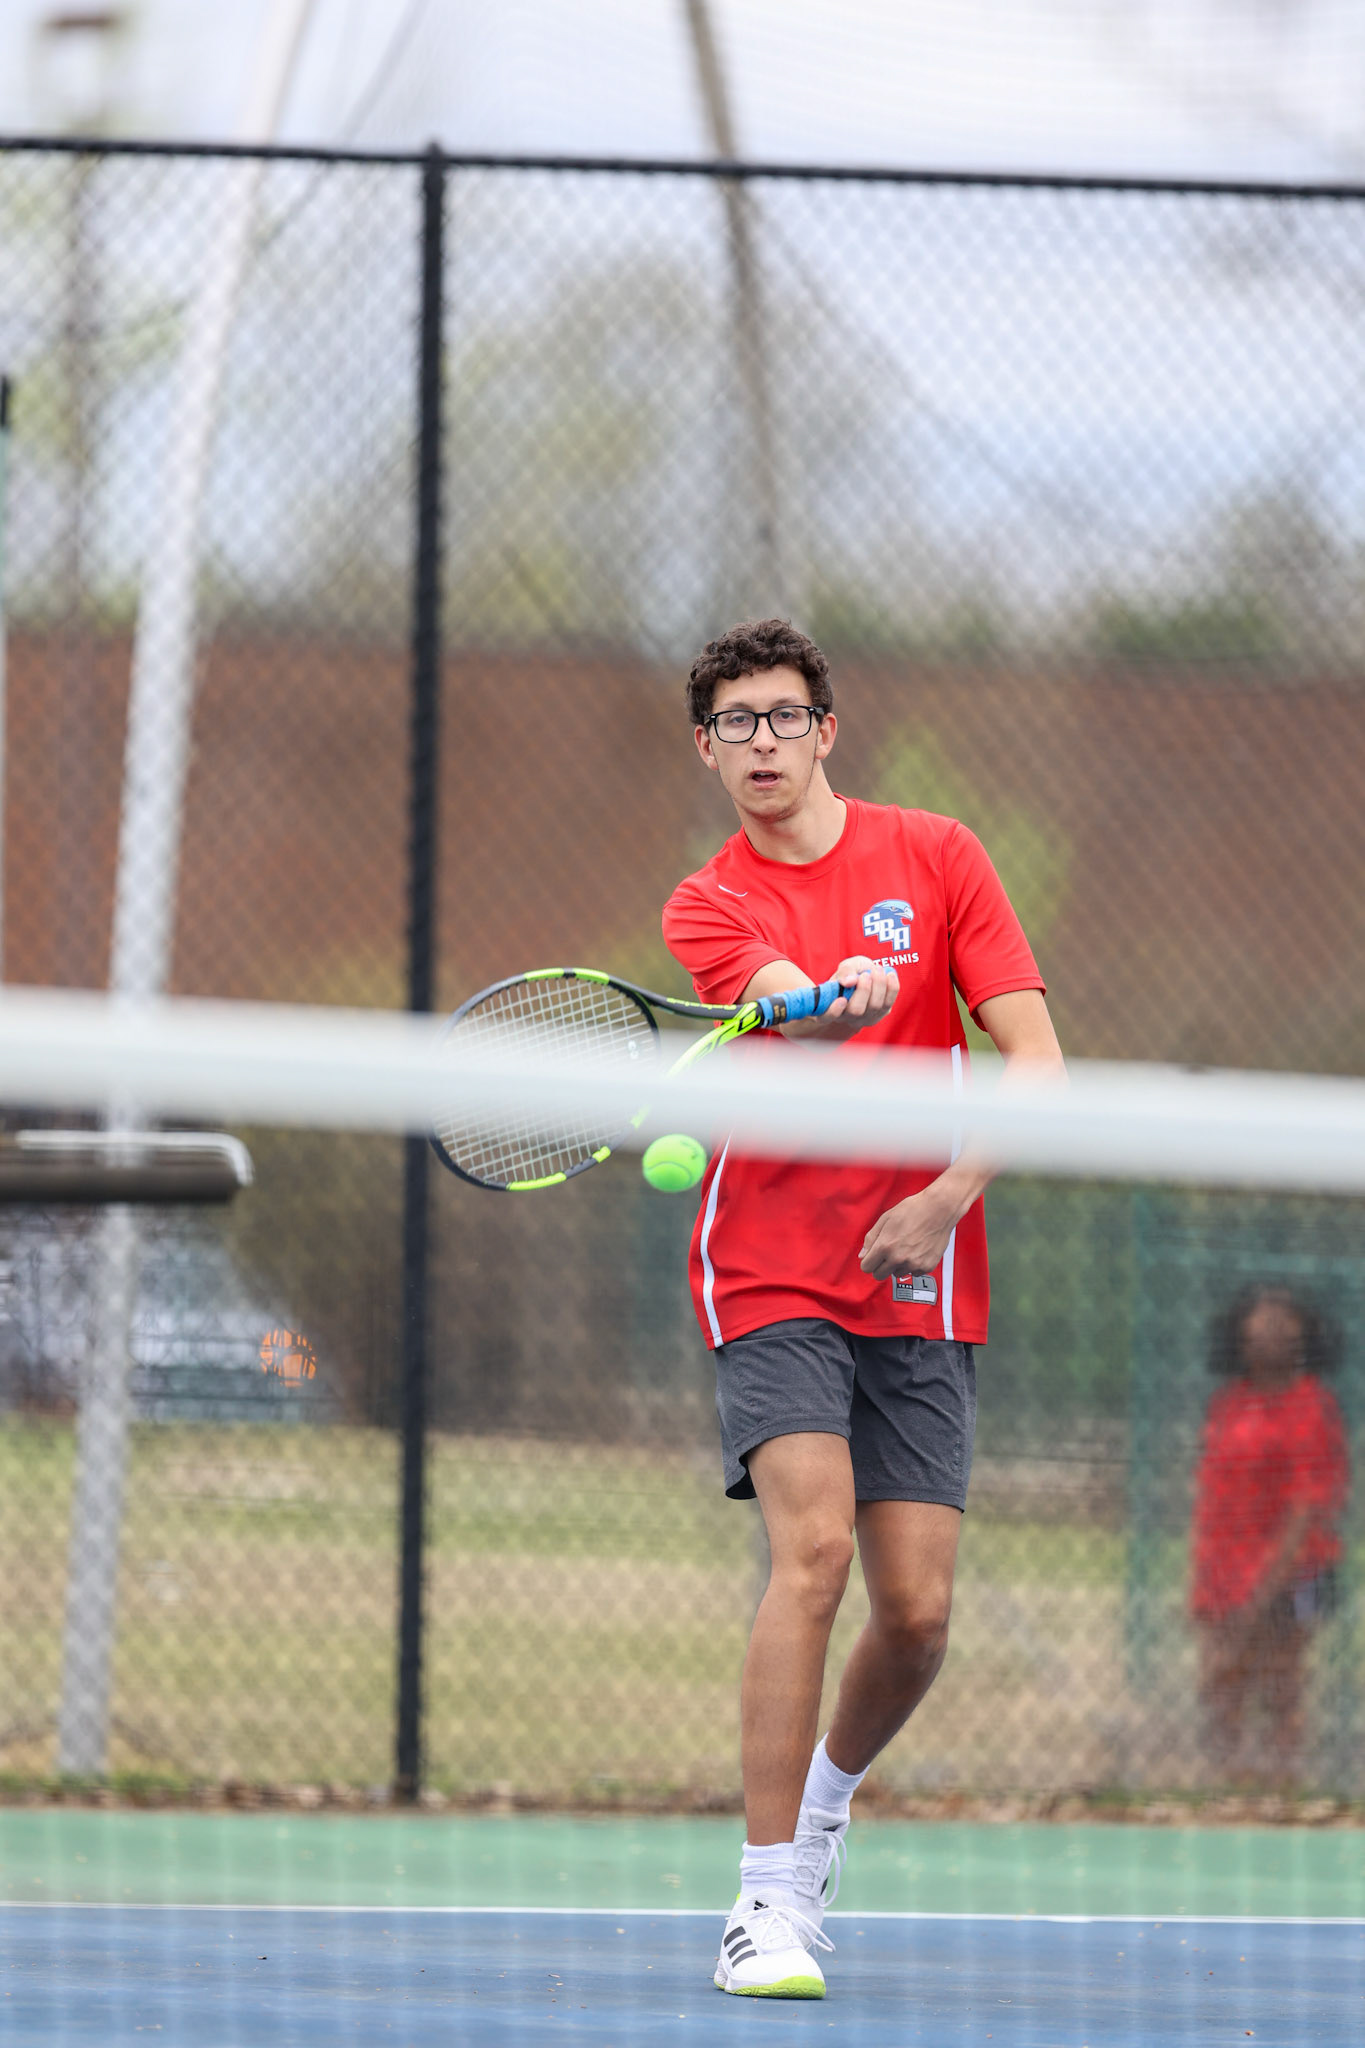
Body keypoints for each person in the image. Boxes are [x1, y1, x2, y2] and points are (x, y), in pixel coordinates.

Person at [661, 618, 1064, 1999]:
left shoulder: (939, 856)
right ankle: (762, 1903)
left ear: (826, 730)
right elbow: (791, 1007)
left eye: (783, 718)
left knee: (917, 1614)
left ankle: (825, 1815)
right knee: (815, 1552)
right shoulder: (708, 903)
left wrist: (947, 1197)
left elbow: (1035, 1061)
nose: (761, 744)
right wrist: (832, 997)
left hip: (922, 1258)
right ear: (706, 748)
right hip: (769, 1262)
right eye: (735, 725)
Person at [1190, 1284, 1349, 1786]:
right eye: (1261, 1317)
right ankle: (1229, 1781)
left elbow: (1307, 1510)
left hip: (1296, 1569)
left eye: (1286, 1318)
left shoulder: (1312, 1405)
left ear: (1305, 1333)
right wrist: (1208, 1581)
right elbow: (1212, 1498)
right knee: (1222, 1678)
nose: (1273, 1327)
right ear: (1240, 1334)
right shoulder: (1228, 1403)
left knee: (1282, 1681)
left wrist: (1264, 1593)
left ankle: (1285, 1783)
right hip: (1226, 1569)